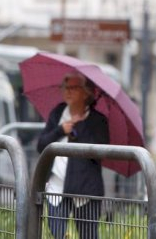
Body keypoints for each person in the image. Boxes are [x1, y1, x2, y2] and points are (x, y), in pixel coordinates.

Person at [37, 72, 110, 239]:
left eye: (74, 88)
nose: (68, 91)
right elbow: (41, 145)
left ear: (86, 93)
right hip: (57, 185)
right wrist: (61, 130)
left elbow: (99, 151)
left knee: (88, 235)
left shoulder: (98, 121)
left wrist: (80, 126)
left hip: (85, 189)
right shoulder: (58, 113)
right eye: (66, 87)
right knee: (57, 233)